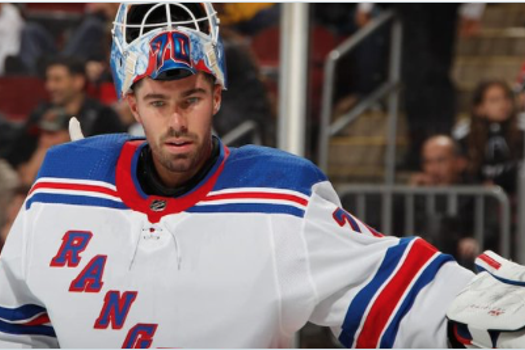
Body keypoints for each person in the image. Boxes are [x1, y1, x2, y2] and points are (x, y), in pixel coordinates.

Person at [0, 3, 522, 348]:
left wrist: (461, 316)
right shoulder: (65, 187)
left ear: (218, 96)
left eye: (193, 100)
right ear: (131, 104)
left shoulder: (277, 197)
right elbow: (17, 325)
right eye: (158, 102)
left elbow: (384, 282)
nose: (177, 122)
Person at [4, 56, 125, 170]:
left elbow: (115, 158)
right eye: (48, 79)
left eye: (57, 80)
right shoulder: (41, 113)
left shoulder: (103, 115)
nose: (49, 86)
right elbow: (15, 154)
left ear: (78, 81)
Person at [453, 79, 524, 196]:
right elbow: (463, 169)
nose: (503, 104)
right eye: (494, 100)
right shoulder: (463, 134)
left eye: (506, 98)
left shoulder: (522, 128)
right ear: (479, 107)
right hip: (477, 200)